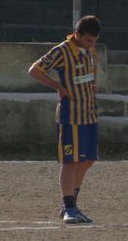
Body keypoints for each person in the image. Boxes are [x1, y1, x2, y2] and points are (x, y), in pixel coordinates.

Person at [28, 15, 102, 224]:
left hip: (90, 113)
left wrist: (93, 85)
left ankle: (72, 204)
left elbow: (92, 69)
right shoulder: (61, 51)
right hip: (71, 115)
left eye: (94, 41)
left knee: (88, 161)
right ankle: (69, 207)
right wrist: (57, 86)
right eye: (87, 40)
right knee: (70, 161)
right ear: (77, 34)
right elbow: (34, 70)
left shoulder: (91, 50)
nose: (90, 44)